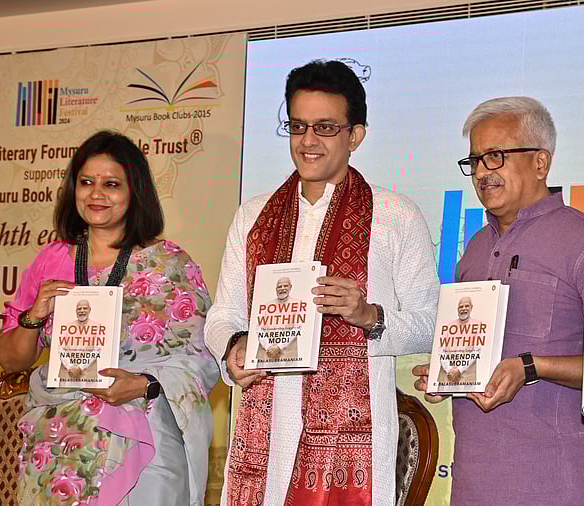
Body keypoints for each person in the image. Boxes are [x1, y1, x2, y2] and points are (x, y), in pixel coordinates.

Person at [204, 59, 439, 506]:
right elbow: (223, 313)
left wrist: (368, 317)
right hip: (264, 435)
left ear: (356, 135)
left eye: (326, 128)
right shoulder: (254, 216)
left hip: (354, 447)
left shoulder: (395, 216)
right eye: (298, 126)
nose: (308, 141)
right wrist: (234, 346)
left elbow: (430, 322)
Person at [413, 96, 584, 505]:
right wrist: (448, 373)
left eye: (495, 156)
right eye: (475, 161)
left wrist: (532, 368)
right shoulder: (475, 250)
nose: (482, 172)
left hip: (562, 484)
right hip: (474, 483)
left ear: (540, 163)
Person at [0, 130, 220, 506]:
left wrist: (144, 382)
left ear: (135, 192)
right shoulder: (51, 259)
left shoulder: (169, 264)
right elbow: (10, 359)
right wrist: (35, 316)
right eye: (86, 182)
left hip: (147, 436)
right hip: (62, 443)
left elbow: (203, 357)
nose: (96, 193)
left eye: (111, 184)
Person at [256, 276, 301, 361]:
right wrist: (268, 346)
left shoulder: (298, 304)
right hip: (265, 354)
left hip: (287, 354)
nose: (282, 289)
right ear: (276, 289)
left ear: (290, 287)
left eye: (285, 286)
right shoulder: (266, 305)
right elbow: (259, 328)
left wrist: (279, 347)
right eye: (279, 286)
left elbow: (297, 329)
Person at [436, 296, 480, 384]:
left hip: (467, 376)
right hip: (446, 374)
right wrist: (449, 369)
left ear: (471, 307)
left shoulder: (478, 326)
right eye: (461, 306)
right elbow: (441, 349)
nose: (463, 309)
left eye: (466, 306)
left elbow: (477, 351)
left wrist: (459, 370)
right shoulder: (448, 326)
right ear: (457, 309)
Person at [57, 299, 103, 381]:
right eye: (79, 309)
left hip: (88, 375)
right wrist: (70, 367)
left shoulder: (98, 327)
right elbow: (61, 349)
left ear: (90, 310)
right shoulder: (67, 326)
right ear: (76, 311)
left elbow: (96, 350)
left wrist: (80, 367)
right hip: (66, 374)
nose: (82, 311)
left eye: (85, 308)